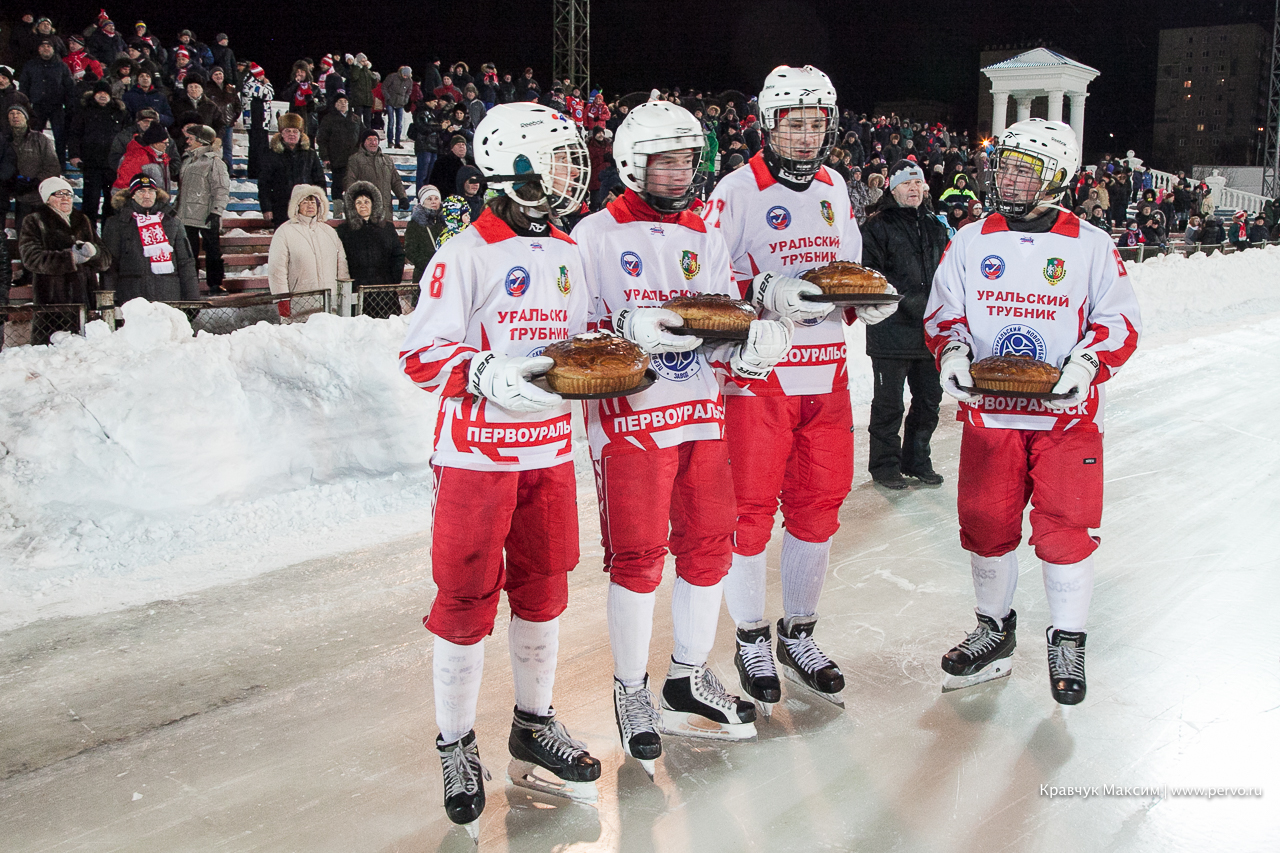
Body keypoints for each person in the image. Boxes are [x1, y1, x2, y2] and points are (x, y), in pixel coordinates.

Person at [572, 101, 792, 775]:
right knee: (638, 557)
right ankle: (631, 689)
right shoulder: (591, 237)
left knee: (710, 546)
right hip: (632, 422)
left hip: (700, 413)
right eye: (664, 160)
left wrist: (752, 350)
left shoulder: (706, 235)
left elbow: (724, 324)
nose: (678, 174)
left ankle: (687, 674)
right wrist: (623, 331)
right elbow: (568, 341)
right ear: (633, 163)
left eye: (687, 160)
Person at [398, 102, 599, 838]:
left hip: (548, 452)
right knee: (465, 594)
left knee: (545, 589)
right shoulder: (463, 254)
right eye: (554, 161)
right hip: (477, 458)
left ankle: (533, 723)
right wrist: (483, 372)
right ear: (511, 169)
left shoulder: (572, 251)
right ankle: (455, 741)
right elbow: (421, 355)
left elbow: (580, 345)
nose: (569, 174)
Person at [924, 118, 1142, 705]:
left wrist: (1086, 365)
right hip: (991, 415)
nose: (1010, 178)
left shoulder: (1091, 244)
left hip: (1064, 422)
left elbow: (1119, 320)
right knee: (987, 524)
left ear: (1058, 179)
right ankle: (993, 630)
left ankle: (1068, 637)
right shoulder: (970, 238)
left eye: (1026, 169)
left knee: (1065, 529)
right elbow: (944, 312)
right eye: (1006, 166)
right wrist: (953, 351)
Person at [703, 65, 896, 711]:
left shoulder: (836, 185)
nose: (808, 137)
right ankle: (751, 636)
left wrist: (861, 299)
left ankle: (799, 634)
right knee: (750, 511)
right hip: (759, 379)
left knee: (819, 506)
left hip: (826, 375)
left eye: (818, 125)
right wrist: (764, 292)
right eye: (795, 125)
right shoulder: (736, 190)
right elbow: (705, 285)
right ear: (769, 125)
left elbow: (843, 267)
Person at [861, 160, 949, 489]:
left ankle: (917, 460)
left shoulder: (935, 226)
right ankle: (884, 467)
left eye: (918, 183)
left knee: (929, 401)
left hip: (929, 333)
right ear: (893, 188)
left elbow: (947, 274)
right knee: (889, 405)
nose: (913, 188)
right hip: (890, 330)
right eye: (906, 184)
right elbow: (870, 274)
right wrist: (908, 301)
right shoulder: (876, 227)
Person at [17, 177, 111, 344]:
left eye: (68, 194)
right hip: (53, 302)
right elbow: (32, 258)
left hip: (86, 300)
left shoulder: (82, 220)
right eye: (58, 194)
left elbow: (105, 260)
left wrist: (94, 253)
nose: (65, 198)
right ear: (47, 199)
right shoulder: (34, 221)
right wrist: (71, 258)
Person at [102, 173, 199, 303]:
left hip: (168, 297)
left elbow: (186, 263)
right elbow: (110, 265)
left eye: (151, 191)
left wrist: (193, 300)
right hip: (131, 299)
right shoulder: (116, 224)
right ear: (132, 195)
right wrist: (109, 300)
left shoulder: (173, 222)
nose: (146, 195)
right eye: (141, 191)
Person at [267, 184, 350, 315]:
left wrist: (343, 293)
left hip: (330, 304)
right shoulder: (284, 231)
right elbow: (277, 269)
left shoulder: (329, 232)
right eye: (305, 202)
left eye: (313, 201)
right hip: (299, 305)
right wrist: (282, 299)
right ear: (297, 205)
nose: (310, 205)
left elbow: (342, 265)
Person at [176, 125, 230, 294]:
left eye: (191, 138)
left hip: (206, 213)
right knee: (188, 251)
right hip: (186, 214)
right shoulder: (187, 159)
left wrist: (216, 210)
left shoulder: (214, 161)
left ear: (201, 141)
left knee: (212, 249)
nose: (188, 141)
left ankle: (215, 283)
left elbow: (221, 188)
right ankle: (190, 284)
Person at [68, 80, 127, 228]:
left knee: (111, 202)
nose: (102, 96)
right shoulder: (83, 112)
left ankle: (109, 235)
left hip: (113, 166)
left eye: (106, 93)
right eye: (99, 93)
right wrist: (74, 155)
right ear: (94, 95)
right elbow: (74, 135)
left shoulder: (120, 113)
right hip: (91, 164)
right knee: (90, 202)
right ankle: (89, 234)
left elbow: (127, 136)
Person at [335, 180, 405, 298]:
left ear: (373, 204)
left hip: (385, 289)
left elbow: (398, 255)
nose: (363, 205)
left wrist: (393, 280)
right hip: (357, 290)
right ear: (352, 206)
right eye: (358, 202)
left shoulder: (387, 227)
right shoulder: (344, 230)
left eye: (367, 201)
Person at [258, 112, 326, 229]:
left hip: (306, 209)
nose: (292, 134)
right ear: (281, 133)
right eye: (288, 131)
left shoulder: (310, 154)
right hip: (281, 208)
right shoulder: (271, 155)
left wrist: (319, 205)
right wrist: (267, 208)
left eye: (295, 131)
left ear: (300, 134)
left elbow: (319, 181)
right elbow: (264, 184)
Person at [6, 105, 61, 239]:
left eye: (18, 113)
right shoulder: (5, 141)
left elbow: (53, 166)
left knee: (43, 236)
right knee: (24, 237)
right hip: (20, 198)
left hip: (40, 197)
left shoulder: (40, 139)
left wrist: (36, 182)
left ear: (26, 118)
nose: (15, 116)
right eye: (11, 114)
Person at [19, 38, 75, 167]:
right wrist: (25, 104)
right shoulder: (30, 65)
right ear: (38, 49)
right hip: (37, 106)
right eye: (43, 46)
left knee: (60, 137)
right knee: (34, 136)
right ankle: (34, 164)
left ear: (53, 49)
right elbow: (24, 85)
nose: (46, 48)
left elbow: (69, 87)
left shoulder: (61, 66)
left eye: (48, 46)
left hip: (57, 106)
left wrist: (69, 105)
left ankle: (60, 166)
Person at [346, 129, 409, 219]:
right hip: (366, 211)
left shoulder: (387, 160)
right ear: (363, 142)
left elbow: (396, 181)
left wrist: (402, 197)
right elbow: (350, 182)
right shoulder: (355, 159)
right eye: (369, 140)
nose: (373, 142)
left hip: (385, 210)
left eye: (375, 139)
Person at [316, 93, 362, 214]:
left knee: (353, 185)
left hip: (353, 159)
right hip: (337, 158)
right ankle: (338, 211)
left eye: (345, 101)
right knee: (338, 185)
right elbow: (322, 139)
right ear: (335, 104)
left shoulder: (356, 119)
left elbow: (363, 135)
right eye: (340, 101)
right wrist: (325, 157)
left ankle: (352, 211)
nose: (343, 103)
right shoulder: (329, 119)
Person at [113, 123, 173, 193]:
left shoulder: (161, 157)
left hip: (153, 201)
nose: (167, 145)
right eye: (165, 143)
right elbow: (125, 184)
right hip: (142, 201)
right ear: (155, 143)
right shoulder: (137, 158)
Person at [404, 184, 445, 284]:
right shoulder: (415, 224)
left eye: (436, 198)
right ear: (422, 202)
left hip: (444, 273)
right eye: (429, 199)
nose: (433, 201)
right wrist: (427, 263)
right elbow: (410, 250)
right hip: (423, 273)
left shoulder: (446, 222)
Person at [382, 66, 413, 148]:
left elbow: (409, 91)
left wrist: (405, 100)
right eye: (404, 75)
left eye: (407, 75)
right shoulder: (392, 77)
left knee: (399, 124)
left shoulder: (409, 81)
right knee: (391, 122)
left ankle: (397, 142)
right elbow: (384, 87)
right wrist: (387, 97)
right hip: (390, 102)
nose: (405, 77)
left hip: (400, 103)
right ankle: (389, 141)